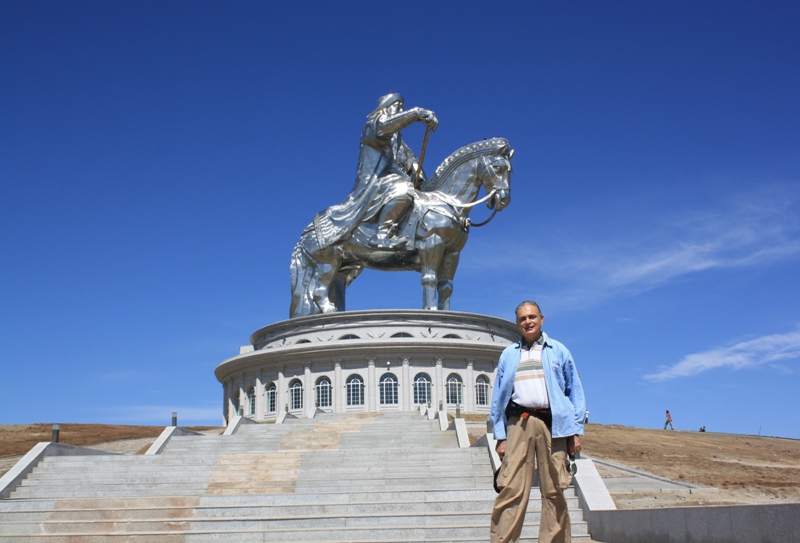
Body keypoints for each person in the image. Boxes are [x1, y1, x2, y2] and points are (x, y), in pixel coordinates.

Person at [490, 301, 586, 543]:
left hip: (553, 426)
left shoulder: (559, 350)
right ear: (517, 323)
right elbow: (498, 396)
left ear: (542, 319)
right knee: (511, 489)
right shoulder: (509, 354)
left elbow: (575, 392)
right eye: (522, 318)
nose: (528, 321)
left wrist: (575, 432)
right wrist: (500, 435)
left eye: (532, 316)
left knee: (554, 490)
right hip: (518, 423)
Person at [312, 93, 438, 249]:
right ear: (384, 108)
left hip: (391, 181)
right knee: (403, 189)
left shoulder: (400, 141)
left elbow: (411, 161)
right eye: (396, 107)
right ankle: (381, 235)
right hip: (375, 183)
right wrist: (416, 113)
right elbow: (385, 126)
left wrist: (422, 180)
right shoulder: (373, 126)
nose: (400, 110)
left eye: (401, 108)